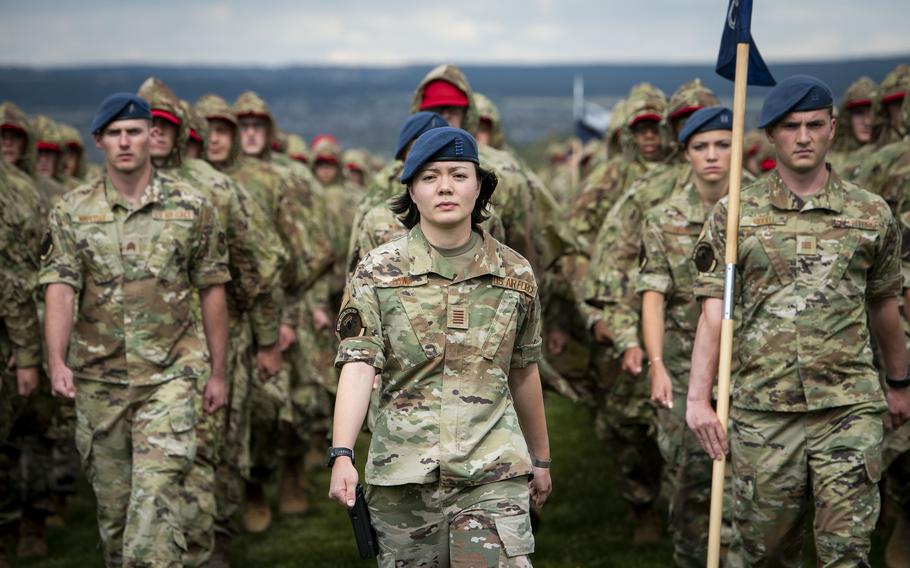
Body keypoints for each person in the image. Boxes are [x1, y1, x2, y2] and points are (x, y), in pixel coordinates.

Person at [687, 75, 910, 566]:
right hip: (763, 409)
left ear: (833, 128)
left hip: (847, 406)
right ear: (771, 134)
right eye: (791, 127)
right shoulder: (735, 215)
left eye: (814, 124)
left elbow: (885, 306)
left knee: (847, 552)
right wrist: (698, 399)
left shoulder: (871, 214)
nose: (803, 136)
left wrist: (899, 381)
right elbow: (712, 312)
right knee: (766, 552)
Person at [328, 127, 551, 566]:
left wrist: (540, 458)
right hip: (403, 477)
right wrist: (342, 454)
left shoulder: (514, 273)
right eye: (429, 177)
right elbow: (358, 363)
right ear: (411, 191)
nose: (445, 186)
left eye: (458, 174)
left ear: (480, 187)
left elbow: (524, 369)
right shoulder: (378, 271)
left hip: (491, 470)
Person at [39, 93, 232, 567]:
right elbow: (60, 286)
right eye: (115, 133)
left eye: (135, 131)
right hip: (99, 379)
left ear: (152, 137)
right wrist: (56, 359)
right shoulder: (71, 210)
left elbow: (212, 288)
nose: (125, 142)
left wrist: (218, 371)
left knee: (156, 499)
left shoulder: (191, 207)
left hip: (171, 376)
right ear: (99, 141)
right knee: (115, 514)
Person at [637, 107, 737, 566]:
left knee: (751, 489)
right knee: (693, 481)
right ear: (686, 154)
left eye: (723, 144)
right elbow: (653, 295)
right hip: (683, 363)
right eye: (701, 147)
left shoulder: (756, 209)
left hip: (745, 368)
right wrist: (657, 366)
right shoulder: (663, 218)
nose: (713, 156)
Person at [828, 76, 877, 179]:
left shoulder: (896, 158)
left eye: (872, 113)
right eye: (859, 114)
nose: (867, 122)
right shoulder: (829, 162)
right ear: (847, 118)